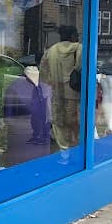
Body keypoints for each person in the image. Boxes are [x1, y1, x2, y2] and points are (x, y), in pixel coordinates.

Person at [39, 24, 82, 152]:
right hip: (75, 95)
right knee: (76, 125)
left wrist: (52, 83)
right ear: (73, 35)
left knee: (60, 124)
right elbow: (81, 68)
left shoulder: (50, 50)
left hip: (57, 95)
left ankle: (64, 152)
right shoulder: (79, 48)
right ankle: (76, 154)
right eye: (77, 35)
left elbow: (43, 72)